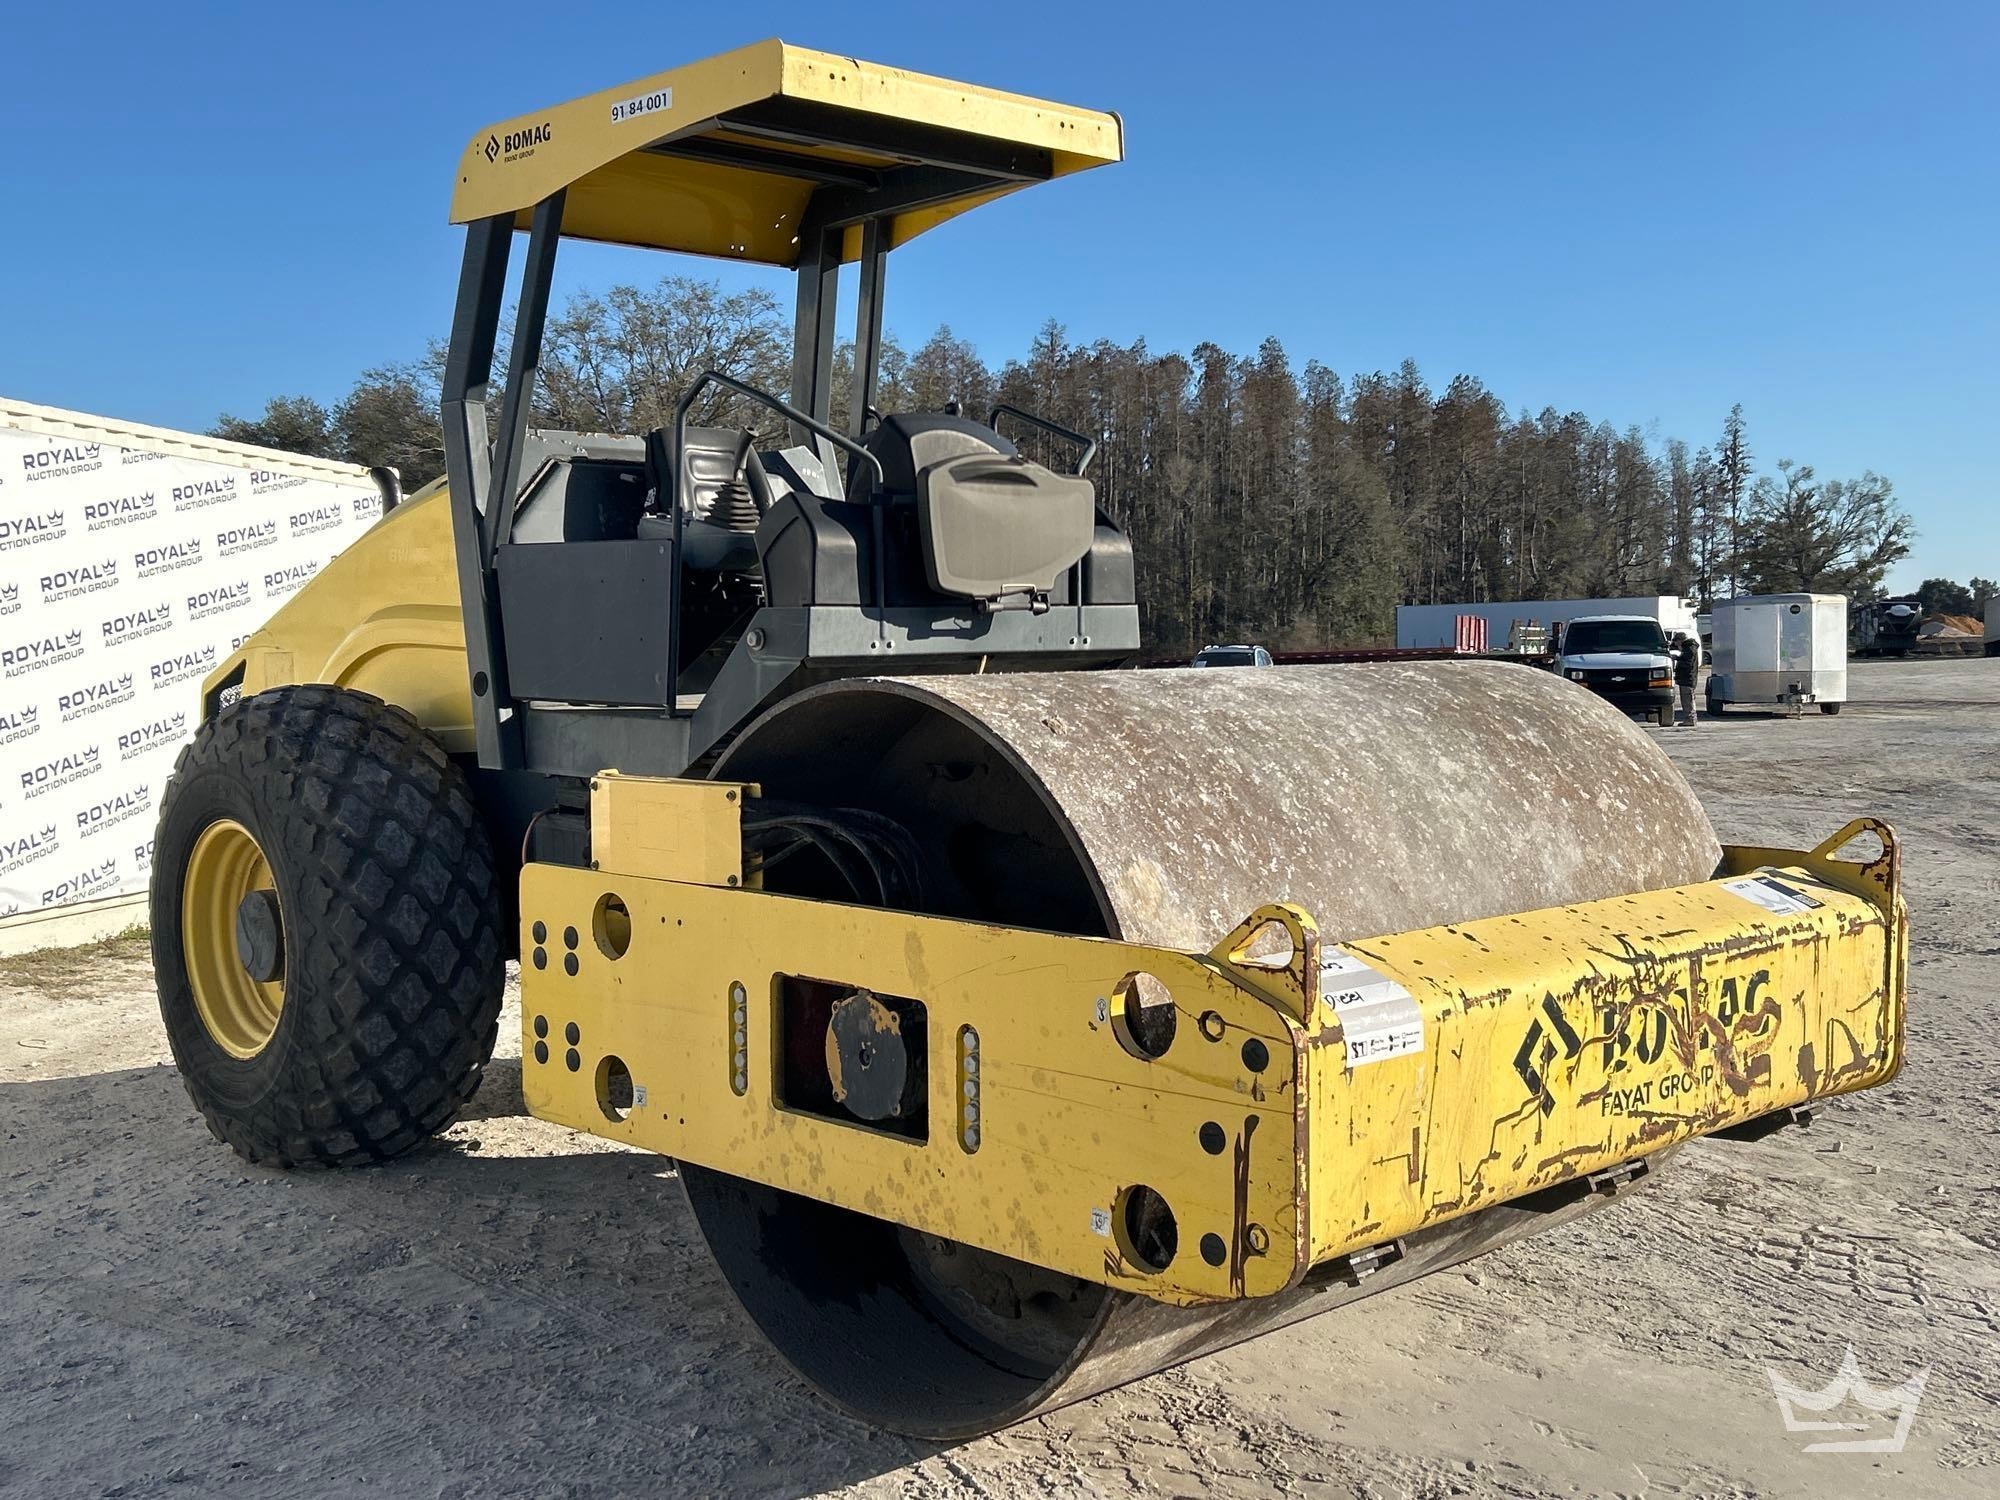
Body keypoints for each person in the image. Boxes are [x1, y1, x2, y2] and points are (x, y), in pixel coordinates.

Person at [1673, 632, 1700, 726]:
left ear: (1680, 640)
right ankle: (1691, 719)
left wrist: (1678, 661)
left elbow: (1688, 664)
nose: (1675, 644)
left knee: (1687, 700)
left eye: (1676, 641)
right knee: (1688, 699)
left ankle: (1690, 719)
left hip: (1687, 679)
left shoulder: (1689, 649)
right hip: (1688, 678)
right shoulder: (1689, 648)